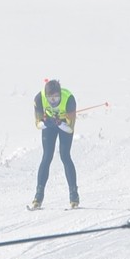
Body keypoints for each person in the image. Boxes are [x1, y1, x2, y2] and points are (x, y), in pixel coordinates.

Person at [29, 79, 79, 209]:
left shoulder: (69, 99)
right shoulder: (39, 99)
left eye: (56, 97)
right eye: (50, 98)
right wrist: (46, 123)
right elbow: (38, 124)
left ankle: (74, 196)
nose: (53, 101)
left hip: (64, 124)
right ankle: (38, 197)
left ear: (60, 95)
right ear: (45, 96)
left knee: (65, 156)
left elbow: (70, 129)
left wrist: (59, 123)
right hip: (49, 124)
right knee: (47, 157)